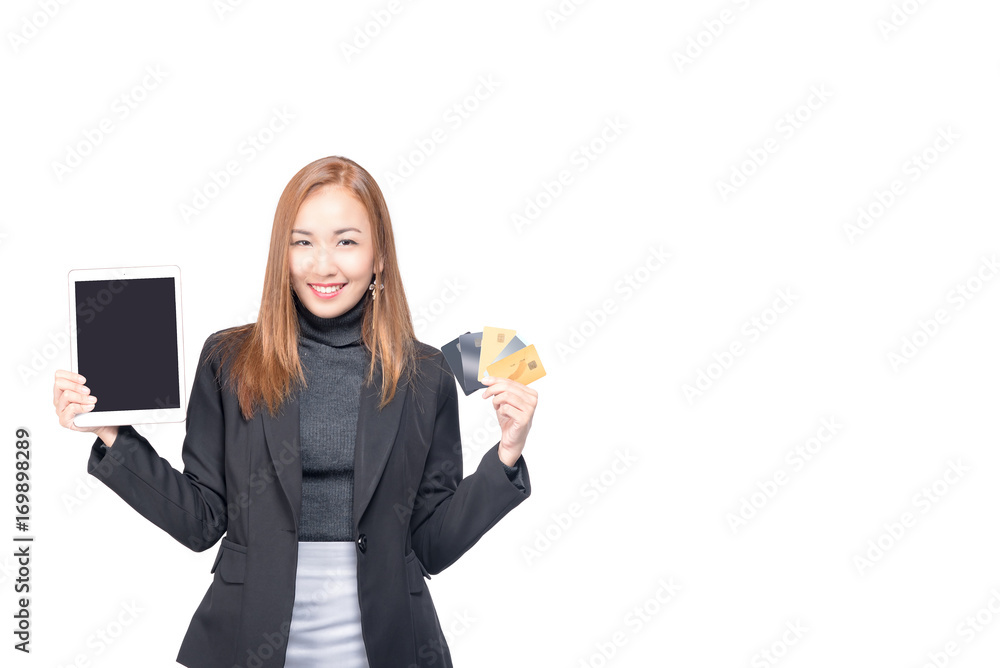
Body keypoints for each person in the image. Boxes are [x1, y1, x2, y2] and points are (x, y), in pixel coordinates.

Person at [51, 155, 537, 668]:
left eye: (346, 241)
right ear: (280, 253)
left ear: (379, 257)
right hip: (248, 638)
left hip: (389, 644)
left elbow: (431, 545)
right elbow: (201, 521)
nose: (322, 264)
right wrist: (109, 433)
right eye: (302, 241)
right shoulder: (229, 359)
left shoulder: (425, 372)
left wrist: (506, 455)